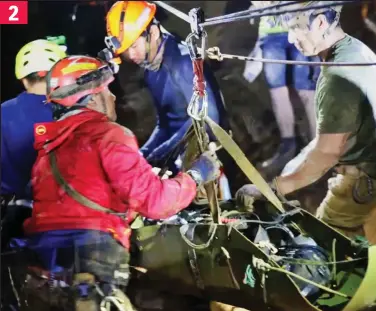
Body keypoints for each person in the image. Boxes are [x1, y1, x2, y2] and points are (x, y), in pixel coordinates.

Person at [21, 55, 220, 310]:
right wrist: (196, 176)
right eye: (107, 90)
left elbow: (78, 201)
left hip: (42, 264)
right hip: (93, 256)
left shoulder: (48, 150)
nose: (114, 97)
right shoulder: (110, 134)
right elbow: (155, 201)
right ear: (92, 98)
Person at [235, 1, 376, 245]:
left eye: (296, 28)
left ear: (319, 22)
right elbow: (328, 139)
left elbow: (326, 153)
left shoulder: (336, 77)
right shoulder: (357, 50)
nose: (292, 38)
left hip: (362, 191)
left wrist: (273, 189)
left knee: (323, 254)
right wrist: (286, 174)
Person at [103, 1, 230, 185]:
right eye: (125, 51)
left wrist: (160, 154)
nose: (131, 56)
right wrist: (142, 155)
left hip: (207, 159)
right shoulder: (151, 67)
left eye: (133, 46)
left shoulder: (184, 63)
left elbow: (208, 123)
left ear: (153, 33)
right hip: (179, 153)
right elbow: (165, 123)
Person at [1, 39, 67, 247]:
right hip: (64, 217)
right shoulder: (72, 112)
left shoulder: (3, 112)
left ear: (22, 79)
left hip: (13, 217)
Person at [244, 1, 320, 178]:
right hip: (271, 33)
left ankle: (319, 146)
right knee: (278, 91)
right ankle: (288, 147)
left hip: (301, 26)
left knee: (305, 88)